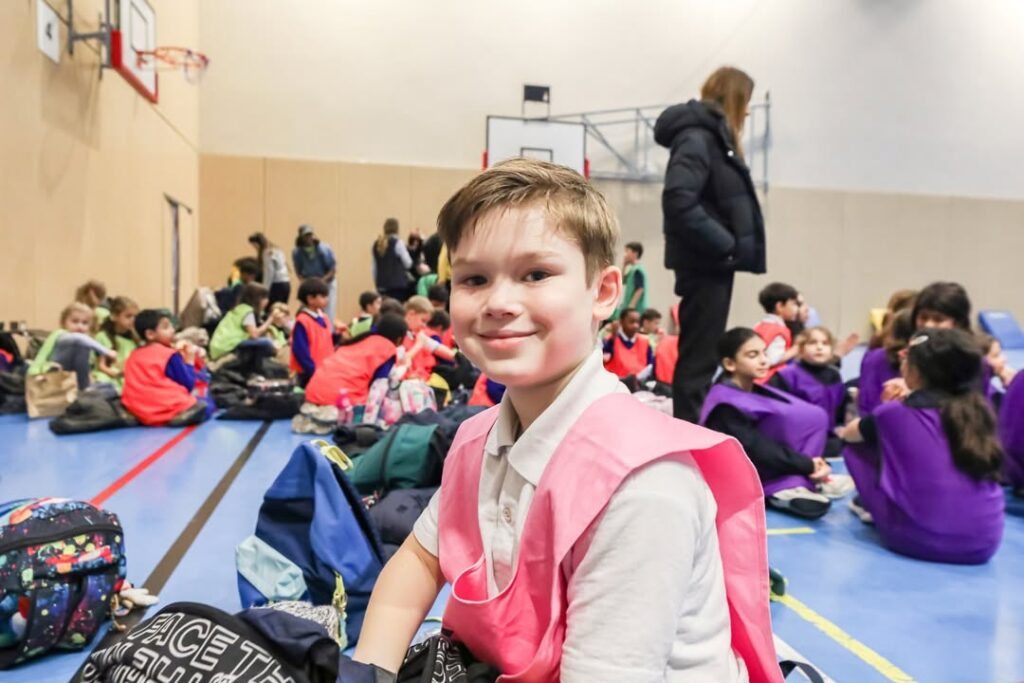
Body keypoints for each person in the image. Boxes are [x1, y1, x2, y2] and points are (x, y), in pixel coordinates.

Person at [354, 159, 778, 681]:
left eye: (536, 274)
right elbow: (418, 563)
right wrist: (367, 673)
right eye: (474, 278)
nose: (499, 302)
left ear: (602, 292)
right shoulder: (476, 440)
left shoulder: (642, 488)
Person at [655, 66, 766, 422]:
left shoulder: (709, 137)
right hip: (706, 262)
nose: (748, 111)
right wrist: (725, 244)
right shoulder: (698, 137)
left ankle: (692, 436)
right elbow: (678, 199)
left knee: (700, 359)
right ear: (734, 98)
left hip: (713, 262)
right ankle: (689, 445)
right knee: (698, 362)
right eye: (746, 101)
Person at [838, 329, 1004, 564]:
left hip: (916, 540)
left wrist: (884, 409)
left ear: (913, 371)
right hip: (984, 542)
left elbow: (849, 434)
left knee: (858, 444)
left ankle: (875, 504)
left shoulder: (892, 413)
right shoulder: (979, 411)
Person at [701, 328, 854, 519]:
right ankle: (782, 488)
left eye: (764, 353)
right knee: (817, 507)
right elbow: (757, 448)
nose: (764, 360)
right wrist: (806, 464)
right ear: (730, 363)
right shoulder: (725, 405)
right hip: (753, 474)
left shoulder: (752, 390)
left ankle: (805, 479)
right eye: (753, 355)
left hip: (785, 461)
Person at [769, 327, 848, 458]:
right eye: (812, 343)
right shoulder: (787, 376)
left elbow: (840, 409)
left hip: (829, 441)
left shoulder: (834, 375)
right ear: (800, 349)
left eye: (825, 343)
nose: (819, 347)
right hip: (797, 442)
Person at [121, 309, 207, 427]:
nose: (172, 330)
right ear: (150, 334)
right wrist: (189, 361)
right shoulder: (169, 354)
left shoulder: (133, 354)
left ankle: (143, 417)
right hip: (164, 406)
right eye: (166, 327)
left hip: (136, 408)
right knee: (204, 404)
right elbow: (188, 384)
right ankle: (176, 416)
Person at [304, 314, 409, 406]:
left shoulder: (358, 341)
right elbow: (379, 387)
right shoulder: (387, 349)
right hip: (341, 403)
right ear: (399, 339)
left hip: (311, 396)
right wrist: (405, 366)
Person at [28, 303, 118, 390]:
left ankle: (85, 389)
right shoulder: (61, 334)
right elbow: (77, 339)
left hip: (72, 380)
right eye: (75, 321)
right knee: (81, 344)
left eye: (85, 323)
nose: (80, 326)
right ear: (64, 322)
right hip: (49, 375)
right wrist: (106, 351)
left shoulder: (87, 341)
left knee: (110, 387)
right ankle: (84, 389)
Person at [209, 283, 285, 363]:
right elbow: (254, 335)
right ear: (257, 299)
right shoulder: (247, 311)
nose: (267, 301)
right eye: (265, 298)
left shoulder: (239, 308)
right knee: (267, 342)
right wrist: (271, 319)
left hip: (218, 347)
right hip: (228, 346)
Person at [290, 278, 334, 388]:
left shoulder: (323, 317)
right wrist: (312, 370)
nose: (327, 299)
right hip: (309, 373)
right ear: (310, 299)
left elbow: (326, 341)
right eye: (323, 296)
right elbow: (300, 350)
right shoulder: (303, 321)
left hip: (325, 370)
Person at [753, 282, 801, 381]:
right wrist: (794, 350)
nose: (797, 309)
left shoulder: (759, 325)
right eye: (793, 304)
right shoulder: (780, 331)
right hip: (770, 381)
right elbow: (772, 359)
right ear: (779, 306)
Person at [92, 296, 140, 392]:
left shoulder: (135, 338)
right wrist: (118, 374)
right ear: (114, 316)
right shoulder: (102, 336)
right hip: (110, 375)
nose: (132, 320)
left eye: (135, 316)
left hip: (130, 376)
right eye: (128, 316)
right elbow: (101, 366)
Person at [402, 295, 455, 380]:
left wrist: (460, 357)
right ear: (411, 314)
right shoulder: (397, 334)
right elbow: (402, 361)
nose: (424, 326)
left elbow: (436, 347)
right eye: (423, 320)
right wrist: (418, 345)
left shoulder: (416, 334)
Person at [292, 224, 338, 319]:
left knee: (328, 312)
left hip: (326, 283)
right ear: (301, 237)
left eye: (310, 235)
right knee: (308, 312)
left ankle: (328, 331)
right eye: (306, 236)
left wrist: (321, 282)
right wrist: (306, 284)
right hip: (310, 285)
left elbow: (332, 270)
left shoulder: (324, 249)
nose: (309, 238)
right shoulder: (297, 252)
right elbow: (298, 271)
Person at [602, 308, 653, 381]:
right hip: (615, 383)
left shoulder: (645, 342)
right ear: (621, 322)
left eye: (638, 322)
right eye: (631, 322)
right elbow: (605, 358)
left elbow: (650, 365)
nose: (635, 325)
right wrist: (613, 336)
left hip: (638, 384)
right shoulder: (611, 339)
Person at [372, 218, 415, 301]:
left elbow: (374, 268)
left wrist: (377, 282)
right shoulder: (398, 242)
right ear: (397, 229)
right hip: (397, 285)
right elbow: (408, 263)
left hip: (381, 285)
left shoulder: (376, 244)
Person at [249, 232, 292, 304]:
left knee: (272, 308)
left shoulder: (267, 252)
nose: (254, 247)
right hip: (286, 283)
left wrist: (264, 289)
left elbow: (269, 272)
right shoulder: (277, 250)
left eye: (254, 245)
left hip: (277, 285)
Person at [614, 241, 648, 317]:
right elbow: (621, 281)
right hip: (630, 308)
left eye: (627, 252)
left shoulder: (637, 270)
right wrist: (624, 265)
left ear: (635, 253)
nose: (625, 255)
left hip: (636, 310)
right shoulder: (631, 270)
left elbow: (639, 289)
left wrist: (630, 308)